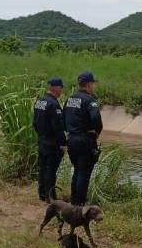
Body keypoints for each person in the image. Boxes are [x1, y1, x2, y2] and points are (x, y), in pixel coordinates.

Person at [63, 71, 103, 206]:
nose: (93, 86)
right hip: (85, 140)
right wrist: (96, 132)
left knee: (77, 170)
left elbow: (63, 119)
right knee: (84, 173)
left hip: (71, 139)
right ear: (89, 84)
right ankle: (79, 204)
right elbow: (96, 118)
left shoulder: (69, 99)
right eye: (93, 83)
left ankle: (74, 201)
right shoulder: (89, 100)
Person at [33, 77, 68, 202]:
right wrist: (63, 143)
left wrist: (42, 136)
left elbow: (35, 123)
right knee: (51, 170)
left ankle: (42, 194)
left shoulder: (39, 101)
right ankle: (50, 197)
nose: (62, 90)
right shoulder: (53, 104)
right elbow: (57, 127)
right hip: (52, 143)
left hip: (42, 140)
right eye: (61, 87)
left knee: (42, 168)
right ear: (55, 88)